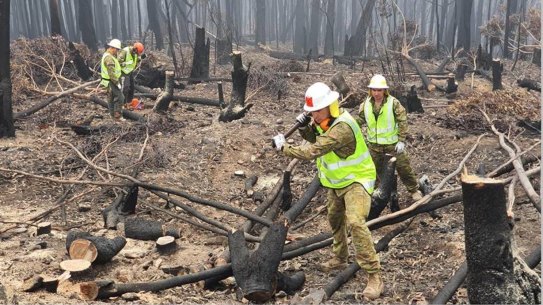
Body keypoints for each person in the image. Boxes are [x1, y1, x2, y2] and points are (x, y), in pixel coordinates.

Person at [272, 82, 384, 300]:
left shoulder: (342, 127)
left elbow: (314, 149)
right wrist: (305, 127)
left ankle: (374, 275)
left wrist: (284, 147)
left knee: (355, 222)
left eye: (317, 111)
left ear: (331, 106)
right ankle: (340, 257)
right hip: (336, 182)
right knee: (334, 218)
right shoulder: (324, 121)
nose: (313, 116)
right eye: (311, 112)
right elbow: (314, 138)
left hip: (356, 180)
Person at [358, 74, 423, 201]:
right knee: (373, 172)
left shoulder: (393, 103)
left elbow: (402, 121)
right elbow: (360, 119)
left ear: (384, 90)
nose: (376, 93)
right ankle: (377, 194)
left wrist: (401, 140)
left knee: (404, 167)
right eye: (374, 90)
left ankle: (413, 190)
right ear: (370, 90)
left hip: (392, 145)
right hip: (373, 146)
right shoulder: (365, 104)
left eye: (379, 90)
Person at [100, 39, 125, 121]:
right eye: (117, 49)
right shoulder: (109, 58)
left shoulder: (107, 56)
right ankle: (117, 116)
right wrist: (117, 83)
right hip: (111, 81)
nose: (117, 51)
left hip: (107, 81)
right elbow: (111, 73)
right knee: (120, 97)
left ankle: (112, 116)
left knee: (110, 98)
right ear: (113, 48)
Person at [118, 42, 145, 108]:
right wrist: (126, 64)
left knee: (132, 87)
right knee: (125, 88)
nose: (137, 54)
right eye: (137, 52)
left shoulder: (135, 53)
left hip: (130, 72)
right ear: (135, 49)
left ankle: (129, 102)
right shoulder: (125, 51)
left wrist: (143, 57)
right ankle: (122, 104)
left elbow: (136, 59)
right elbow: (118, 61)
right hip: (123, 72)